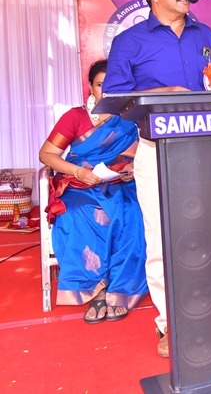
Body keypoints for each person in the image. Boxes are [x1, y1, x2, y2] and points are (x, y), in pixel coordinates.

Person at [103, 0, 211, 357]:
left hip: (209, 146)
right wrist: (162, 94)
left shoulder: (204, 34)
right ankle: (170, 322)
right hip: (157, 150)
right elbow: (115, 96)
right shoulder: (130, 41)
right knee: (161, 237)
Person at [39, 60, 147, 323]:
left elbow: (143, 153)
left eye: (113, 87)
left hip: (121, 183)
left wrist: (133, 167)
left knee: (132, 212)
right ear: (90, 87)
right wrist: (79, 172)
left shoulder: (132, 117)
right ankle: (97, 289)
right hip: (81, 184)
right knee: (78, 212)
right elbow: (47, 154)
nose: (107, 92)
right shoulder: (75, 117)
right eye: (100, 85)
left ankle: (120, 288)